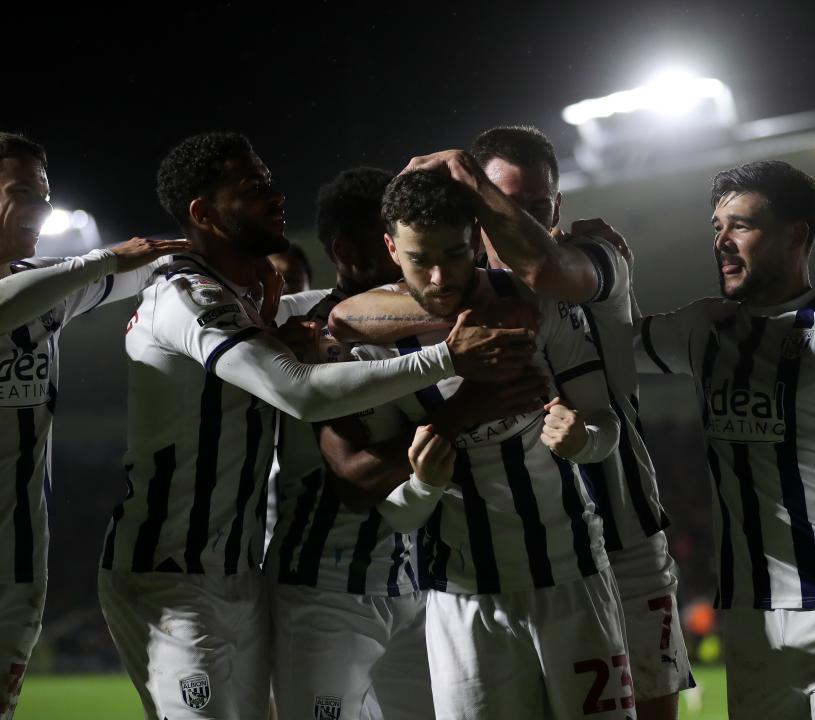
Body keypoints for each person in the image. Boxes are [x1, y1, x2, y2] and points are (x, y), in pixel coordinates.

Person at [95, 132, 536, 720]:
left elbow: (500, 297)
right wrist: (453, 369)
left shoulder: (269, 309)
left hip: (279, 572)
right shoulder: (191, 297)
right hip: (209, 572)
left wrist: (552, 249)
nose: (423, 271)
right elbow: (308, 402)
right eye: (253, 187)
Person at [331, 126, 692, 719]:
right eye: (503, 205)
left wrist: (466, 177)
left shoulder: (589, 262)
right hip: (483, 573)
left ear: (558, 207)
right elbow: (346, 316)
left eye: (534, 208)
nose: (517, 222)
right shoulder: (440, 306)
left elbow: (542, 272)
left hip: (619, 540)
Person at [634, 160, 815, 719]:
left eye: (741, 225)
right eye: (717, 227)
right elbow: (598, 348)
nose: (722, 241)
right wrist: (588, 268)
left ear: (796, 235)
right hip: (750, 624)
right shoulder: (706, 329)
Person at [0, 131, 188, 718]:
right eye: (21, 192)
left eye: (44, 195)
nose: (40, 209)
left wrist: (201, 251)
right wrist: (102, 259)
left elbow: (140, 271)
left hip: (17, 564)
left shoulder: (53, 286)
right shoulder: (59, 278)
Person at [266, 166, 441, 720]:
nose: (402, 252)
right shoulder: (318, 336)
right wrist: (460, 419)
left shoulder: (415, 326)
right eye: (387, 236)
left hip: (416, 584)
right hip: (326, 588)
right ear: (346, 251)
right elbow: (355, 479)